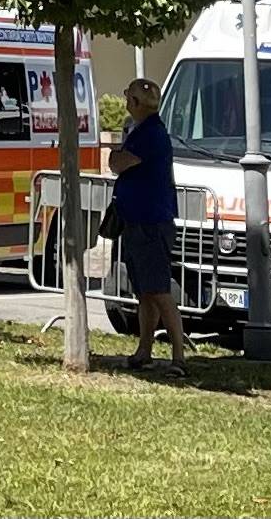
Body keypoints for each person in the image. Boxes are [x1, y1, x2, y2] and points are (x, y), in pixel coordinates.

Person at [109, 75, 191, 371]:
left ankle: (178, 357)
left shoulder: (150, 135)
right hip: (139, 220)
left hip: (151, 223)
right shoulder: (141, 131)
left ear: (136, 103)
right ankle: (144, 349)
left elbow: (118, 164)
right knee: (144, 291)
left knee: (158, 290)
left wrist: (116, 154)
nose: (125, 101)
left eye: (127, 97)